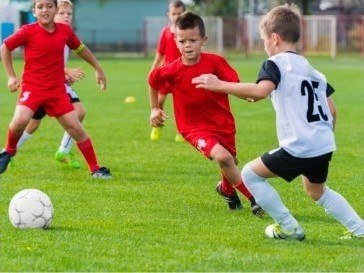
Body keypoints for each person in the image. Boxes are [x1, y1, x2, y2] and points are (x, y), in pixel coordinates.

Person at [192, 4, 364, 240]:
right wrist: (321, 137)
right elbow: (332, 109)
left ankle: (289, 228)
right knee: (316, 190)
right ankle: (360, 229)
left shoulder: (275, 64)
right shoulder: (313, 70)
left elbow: (261, 90)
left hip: (300, 145)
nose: (264, 46)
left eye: (263, 40)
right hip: (323, 144)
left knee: (251, 175)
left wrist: (219, 85)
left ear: (274, 38)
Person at [148, 11, 263, 216]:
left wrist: (249, 95)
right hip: (193, 128)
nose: (187, 45)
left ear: (204, 40)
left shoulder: (216, 63)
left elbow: (233, 85)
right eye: (182, 41)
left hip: (223, 123)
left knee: (231, 162)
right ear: (175, 42)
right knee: (224, 158)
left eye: (193, 40)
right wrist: (155, 108)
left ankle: (226, 189)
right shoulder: (170, 70)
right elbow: (153, 81)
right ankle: (255, 200)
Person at [0, 0, 111, 179]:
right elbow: (5, 48)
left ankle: (95, 169)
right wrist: (11, 76)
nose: (45, 10)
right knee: (20, 120)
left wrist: (98, 68)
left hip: (57, 91)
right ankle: (9, 152)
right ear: (34, 11)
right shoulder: (28, 31)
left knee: (75, 127)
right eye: (40, 7)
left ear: (55, 9)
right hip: (33, 88)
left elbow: (81, 49)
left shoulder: (65, 32)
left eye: (49, 6)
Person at [16, 0, 85, 169]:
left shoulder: (65, 33)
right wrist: (66, 71)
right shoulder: (46, 32)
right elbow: (45, 62)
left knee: (79, 112)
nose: (66, 17)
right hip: (42, 86)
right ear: (54, 13)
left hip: (57, 85)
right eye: (62, 13)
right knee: (32, 123)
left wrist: (65, 74)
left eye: (69, 14)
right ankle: (8, 151)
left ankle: (63, 150)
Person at [149, 0, 186, 142]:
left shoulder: (186, 33)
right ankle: (157, 126)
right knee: (159, 101)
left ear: (184, 14)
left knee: (182, 105)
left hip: (182, 73)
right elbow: (160, 52)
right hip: (167, 74)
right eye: (174, 13)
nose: (176, 16)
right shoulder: (165, 32)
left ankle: (182, 132)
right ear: (168, 15)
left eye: (179, 13)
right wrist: (153, 69)